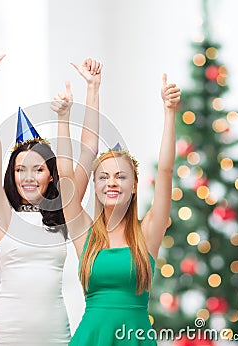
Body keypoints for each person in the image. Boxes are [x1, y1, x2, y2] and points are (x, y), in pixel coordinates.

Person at [0, 50, 102, 345]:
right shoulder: (2, 213)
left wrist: (92, 88)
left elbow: (89, 151)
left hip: (55, 336)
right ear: (12, 174)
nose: (28, 177)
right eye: (20, 169)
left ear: (51, 175)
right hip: (4, 336)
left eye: (37, 169)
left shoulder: (63, 210)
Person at [52, 74, 181, 345]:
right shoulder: (84, 232)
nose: (112, 182)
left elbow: (166, 170)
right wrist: (64, 118)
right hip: (92, 338)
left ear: (134, 186)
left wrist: (170, 113)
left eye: (121, 176)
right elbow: (65, 178)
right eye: (104, 177)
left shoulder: (147, 232)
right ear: (96, 186)